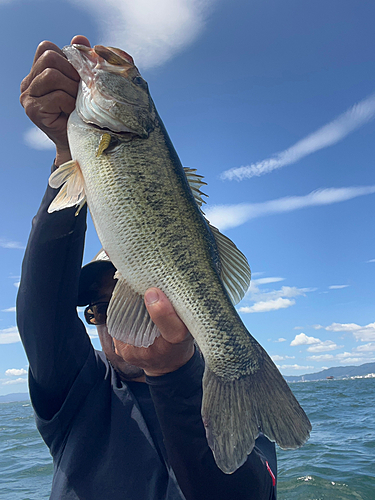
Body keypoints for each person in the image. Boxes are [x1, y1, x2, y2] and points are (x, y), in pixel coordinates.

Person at [17, 35, 277, 500]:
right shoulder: (77, 386)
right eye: (96, 309)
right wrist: (64, 156)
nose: (110, 313)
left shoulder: (229, 393)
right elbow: (42, 313)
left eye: (120, 291)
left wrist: (173, 375)